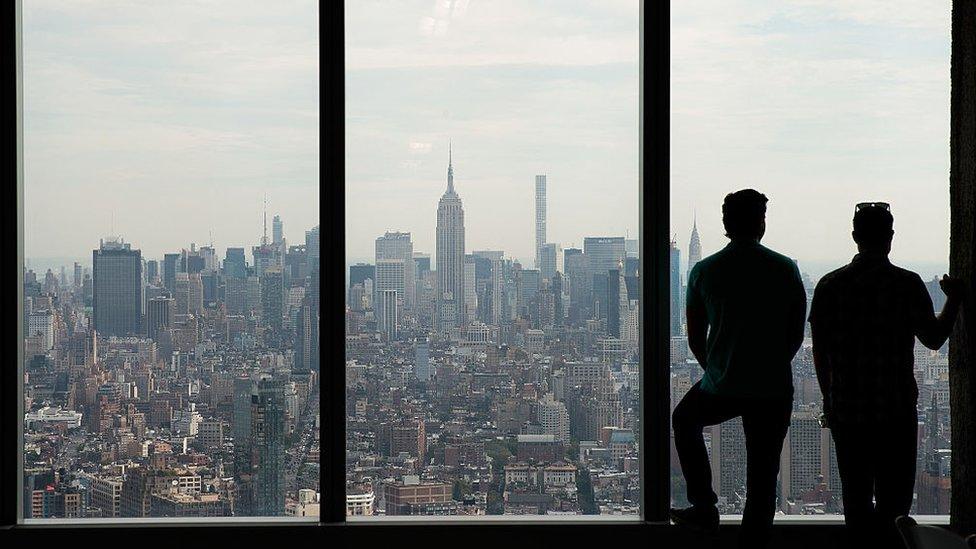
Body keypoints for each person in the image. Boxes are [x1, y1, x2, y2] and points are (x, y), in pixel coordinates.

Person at [809, 202, 962, 549]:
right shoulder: (906, 284)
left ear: (854, 236)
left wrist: (829, 400)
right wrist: (953, 300)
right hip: (895, 412)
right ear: (890, 237)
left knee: (856, 503)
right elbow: (935, 337)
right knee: (896, 507)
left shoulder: (830, 286)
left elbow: (821, 354)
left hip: (849, 411)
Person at [671, 189, 807, 548]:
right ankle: (753, 546)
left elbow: (695, 337)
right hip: (773, 388)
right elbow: (795, 332)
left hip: (723, 384)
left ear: (726, 224)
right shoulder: (785, 268)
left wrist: (717, 369)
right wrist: (770, 364)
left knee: (684, 420)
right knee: (763, 475)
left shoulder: (704, 271)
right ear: (761, 223)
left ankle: (704, 507)